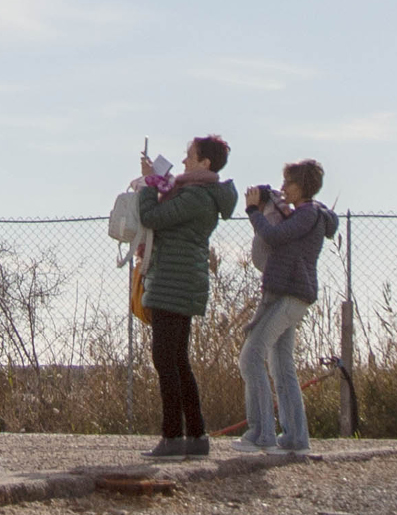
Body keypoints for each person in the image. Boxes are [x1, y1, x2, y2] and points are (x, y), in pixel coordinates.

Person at [134, 135, 238, 458]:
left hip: (173, 283)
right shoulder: (203, 195)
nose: (184, 162)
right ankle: (195, 434)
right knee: (178, 359)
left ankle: (173, 436)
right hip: (183, 282)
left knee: (165, 358)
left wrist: (149, 185)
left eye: (190, 156)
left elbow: (152, 217)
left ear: (205, 163)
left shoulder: (196, 197)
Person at [237, 160, 337, 455]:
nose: (283, 189)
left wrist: (254, 211)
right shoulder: (307, 215)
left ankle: (262, 433)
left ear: (301, 186)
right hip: (290, 293)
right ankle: (295, 439)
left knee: (251, 356)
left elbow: (275, 236)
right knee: (281, 367)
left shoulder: (308, 215)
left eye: (288, 183)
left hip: (289, 295)